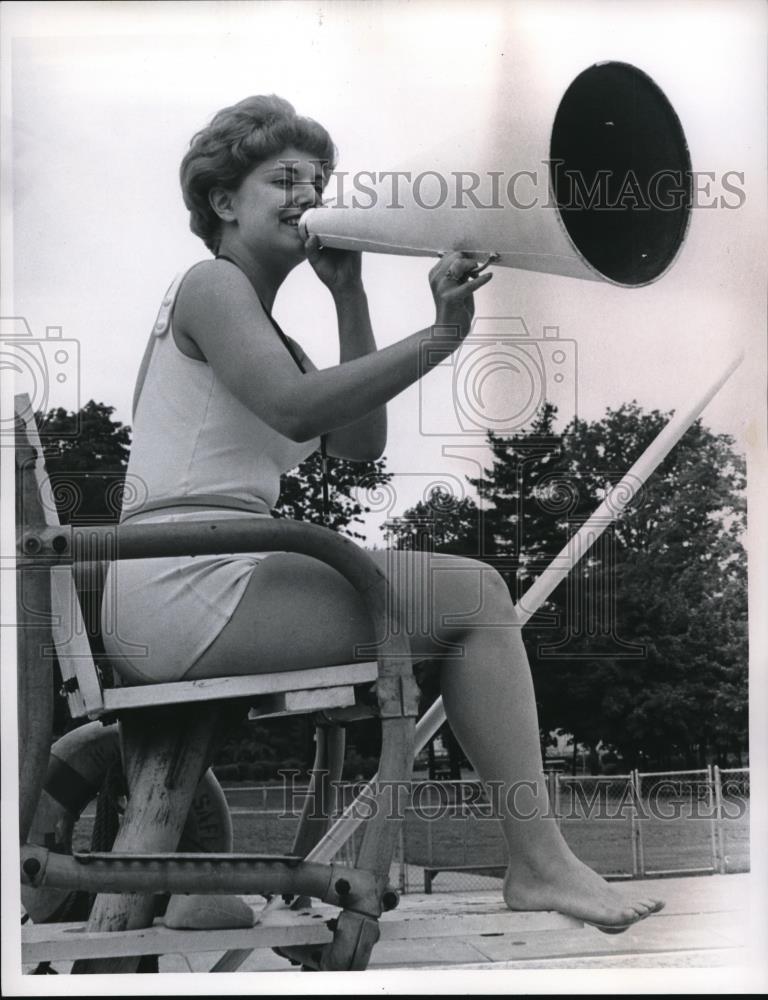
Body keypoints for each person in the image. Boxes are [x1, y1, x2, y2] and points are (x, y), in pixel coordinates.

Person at [102, 95, 663, 932]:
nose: (310, 193)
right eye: (284, 179)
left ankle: (539, 863)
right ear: (224, 203)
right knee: (473, 598)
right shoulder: (212, 284)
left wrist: (348, 295)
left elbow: (356, 445)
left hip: (195, 578)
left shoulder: (262, 326)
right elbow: (297, 411)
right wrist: (438, 338)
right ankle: (540, 864)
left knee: (461, 596)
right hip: (186, 580)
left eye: (320, 181)